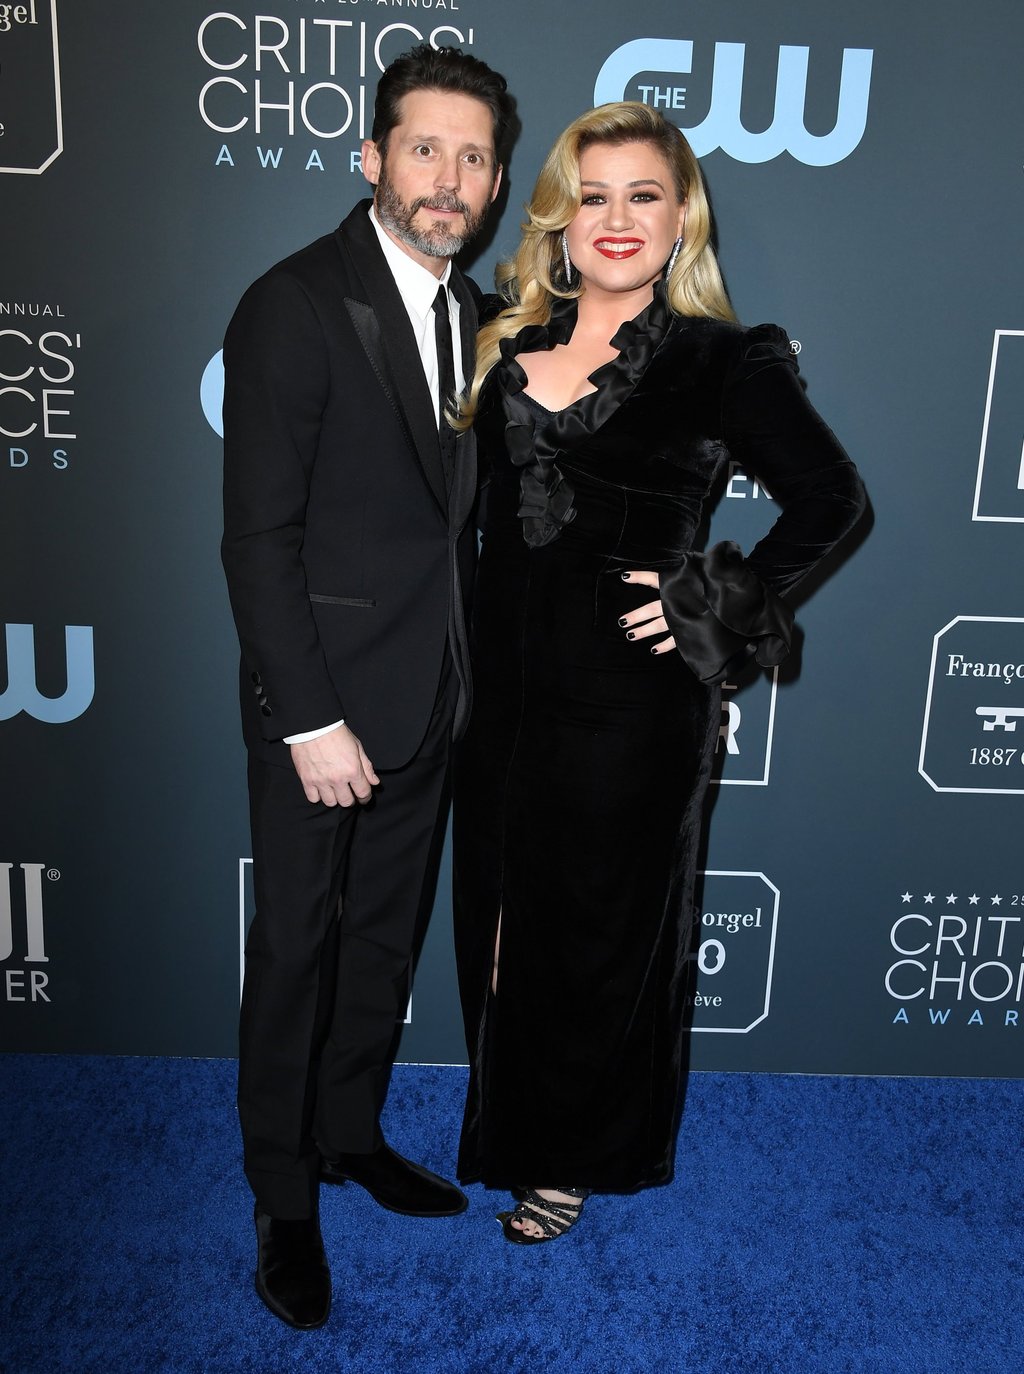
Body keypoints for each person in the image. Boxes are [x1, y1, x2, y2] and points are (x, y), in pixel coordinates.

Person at [451, 102, 866, 1244]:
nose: (618, 218)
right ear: (559, 215)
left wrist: (712, 601)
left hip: (628, 707)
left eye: (644, 194)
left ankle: (569, 1158)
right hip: (496, 695)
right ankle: (509, 1125)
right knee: (499, 923)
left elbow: (831, 497)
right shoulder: (495, 339)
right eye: (593, 195)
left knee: (597, 932)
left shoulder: (722, 358)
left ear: (682, 217)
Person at [221, 45, 515, 1326]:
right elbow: (257, 541)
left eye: (472, 156)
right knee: (296, 949)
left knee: (383, 940)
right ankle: (282, 1198)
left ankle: (348, 1134)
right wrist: (310, 718)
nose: (447, 177)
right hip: (324, 711)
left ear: (494, 181)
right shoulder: (294, 303)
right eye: (424, 147)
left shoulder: (476, 311)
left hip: (434, 698)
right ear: (372, 157)